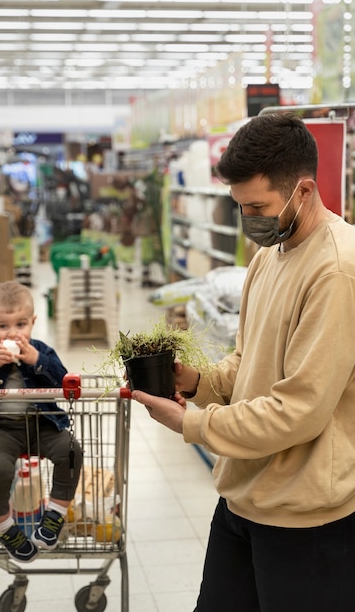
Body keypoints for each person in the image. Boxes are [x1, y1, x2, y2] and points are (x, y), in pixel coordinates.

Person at [131, 112, 355, 612]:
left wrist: (193, 423)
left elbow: (300, 410)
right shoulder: (267, 257)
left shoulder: (337, 271)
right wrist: (198, 382)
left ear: (303, 191)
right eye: (240, 206)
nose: (249, 219)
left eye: (258, 206)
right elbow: (248, 359)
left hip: (305, 518)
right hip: (243, 498)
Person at [0, 281, 82, 563]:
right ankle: (3, 526)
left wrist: (37, 359)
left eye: (21, 324)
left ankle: (54, 515)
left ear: (33, 323)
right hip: (1, 428)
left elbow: (62, 380)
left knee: (70, 451)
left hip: (43, 423)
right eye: (2, 326)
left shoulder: (40, 349)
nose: (13, 333)